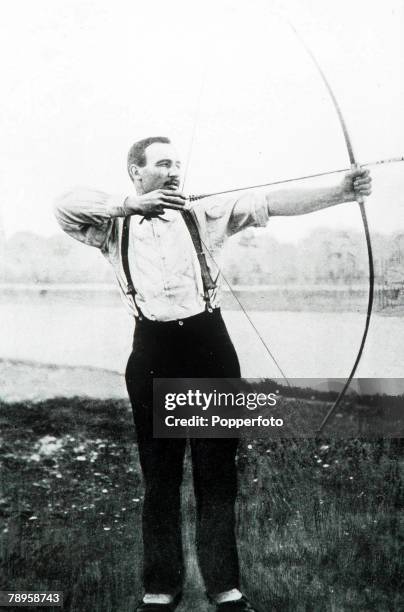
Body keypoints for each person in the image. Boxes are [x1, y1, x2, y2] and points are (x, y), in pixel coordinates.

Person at [54, 136, 372, 611]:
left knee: (216, 475)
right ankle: (161, 588)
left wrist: (342, 192)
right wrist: (129, 205)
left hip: (208, 349)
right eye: (163, 164)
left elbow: (271, 202)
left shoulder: (203, 212)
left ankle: (225, 587)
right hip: (153, 351)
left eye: (178, 163)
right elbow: (63, 207)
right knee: (159, 478)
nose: (175, 170)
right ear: (136, 173)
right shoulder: (110, 227)